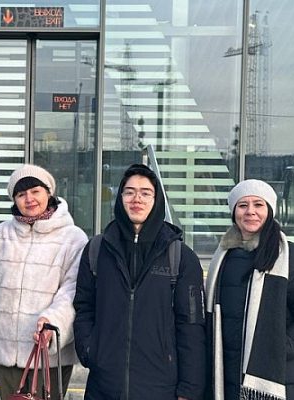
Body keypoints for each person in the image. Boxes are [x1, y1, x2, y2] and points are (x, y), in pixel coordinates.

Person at [73, 163, 206, 400]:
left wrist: (189, 389)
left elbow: (191, 326)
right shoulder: (97, 250)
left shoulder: (180, 256)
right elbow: (84, 307)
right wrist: (90, 351)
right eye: (129, 192)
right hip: (104, 386)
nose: (137, 199)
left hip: (160, 387)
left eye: (145, 193)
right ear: (120, 198)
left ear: (157, 200)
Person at [205, 179, 294, 400]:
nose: (250, 211)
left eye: (258, 205)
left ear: (269, 210)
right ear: (234, 213)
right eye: (243, 205)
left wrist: (277, 350)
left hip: (281, 381)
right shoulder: (223, 258)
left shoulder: (291, 256)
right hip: (230, 377)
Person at [0, 164, 88, 400]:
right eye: (21, 194)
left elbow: (73, 290)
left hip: (48, 353)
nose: (29, 199)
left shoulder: (73, 238)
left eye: (35, 191)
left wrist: (53, 321)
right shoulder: (2, 234)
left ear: (49, 192)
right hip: (6, 350)